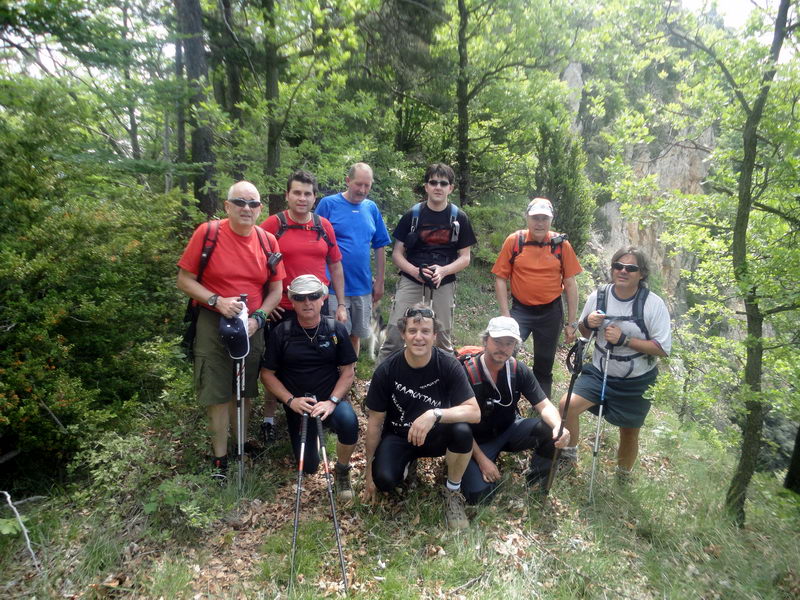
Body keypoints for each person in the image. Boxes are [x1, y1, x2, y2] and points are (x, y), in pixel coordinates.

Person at [177, 181, 285, 478]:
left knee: (246, 388)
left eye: (253, 204)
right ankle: (220, 459)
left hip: (251, 324)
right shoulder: (208, 234)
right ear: (227, 206)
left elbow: (276, 289)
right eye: (240, 202)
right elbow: (185, 280)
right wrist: (216, 301)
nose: (247, 209)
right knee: (217, 390)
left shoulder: (267, 241)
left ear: (261, 209)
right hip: (213, 320)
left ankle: (240, 448)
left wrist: (259, 318)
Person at [363, 304, 480, 529]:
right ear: (403, 334)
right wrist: (368, 472)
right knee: (384, 480)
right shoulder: (386, 370)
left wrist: (434, 414)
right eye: (413, 331)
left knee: (463, 431)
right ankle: (407, 464)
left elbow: (474, 412)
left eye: (425, 331)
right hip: (399, 435)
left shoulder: (448, 365)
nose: (419, 337)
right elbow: (375, 423)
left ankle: (453, 492)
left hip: (436, 435)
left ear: (435, 336)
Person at [558, 247, 671, 481]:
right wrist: (588, 322)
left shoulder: (653, 304)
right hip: (600, 372)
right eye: (618, 266)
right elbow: (584, 333)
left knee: (629, 433)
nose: (623, 271)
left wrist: (625, 340)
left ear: (641, 274)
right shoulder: (599, 295)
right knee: (567, 405)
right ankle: (568, 459)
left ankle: (623, 476)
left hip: (636, 381)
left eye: (631, 268)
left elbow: (662, 349)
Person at [258, 170, 348, 443]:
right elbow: (256, 263)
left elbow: (335, 264)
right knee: (275, 364)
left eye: (307, 193)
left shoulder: (323, 225)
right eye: (296, 192)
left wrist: (341, 303)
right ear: (287, 195)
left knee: (318, 360)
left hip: (315, 306)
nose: (302, 198)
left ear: (314, 197)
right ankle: (270, 417)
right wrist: (266, 300)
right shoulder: (273, 225)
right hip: (283, 306)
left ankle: (321, 409)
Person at [260, 275, 359, 500]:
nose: (308, 302)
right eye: (300, 298)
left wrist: (332, 402)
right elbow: (266, 374)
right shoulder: (281, 333)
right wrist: (290, 401)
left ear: (323, 298)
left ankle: (342, 471)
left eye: (313, 296)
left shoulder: (335, 329)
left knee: (349, 422)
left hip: (329, 401)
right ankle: (313, 435)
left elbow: (347, 371)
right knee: (309, 467)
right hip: (298, 406)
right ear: (292, 301)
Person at [459, 317, 571, 504]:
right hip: (476, 441)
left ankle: (537, 483)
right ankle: (480, 472)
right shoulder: (466, 372)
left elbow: (543, 405)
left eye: (509, 343)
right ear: (485, 340)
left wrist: (560, 427)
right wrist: (482, 460)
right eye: (497, 341)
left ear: (515, 346)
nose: (502, 348)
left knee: (549, 429)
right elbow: (458, 427)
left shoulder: (517, 369)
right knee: (479, 496)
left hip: (510, 429)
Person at [376, 164, 477, 364]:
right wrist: (414, 271)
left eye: (443, 183)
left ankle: (446, 389)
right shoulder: (413, 215)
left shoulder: (459, 218)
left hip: (444, 282)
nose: (438, 187)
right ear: (426, 186)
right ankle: (380, 386)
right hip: (411, 279)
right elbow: (397, 254)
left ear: (451, 188)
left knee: (442, 340)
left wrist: (443, 271)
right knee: (395, 336)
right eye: (433, 182)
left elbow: (465, 257)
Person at [492, 197, 583, 397]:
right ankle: (504, 400)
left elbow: (570, 283)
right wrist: (505, 316)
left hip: (550, 312)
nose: (539, 223)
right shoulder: (515, 241)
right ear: (527, 218)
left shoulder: (561, 245)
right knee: (505, 355)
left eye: (544, 218)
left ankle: (541, 411)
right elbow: (500, 278)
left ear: (551, 220)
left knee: (544, 364)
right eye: (535, 218)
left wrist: (571, 323)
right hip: (520, 310)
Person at [316, 162, 392, 356]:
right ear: (348, 181)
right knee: (335, 336)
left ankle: (350, 377)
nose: (362, 190)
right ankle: (334, 380)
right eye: (359, 184)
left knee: (355, 335)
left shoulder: (371, 208)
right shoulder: (328, 204)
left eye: (367, 185)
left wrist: (380, 281)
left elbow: (380, 245)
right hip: (333, 287)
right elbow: (315, 241)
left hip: (362, 286)